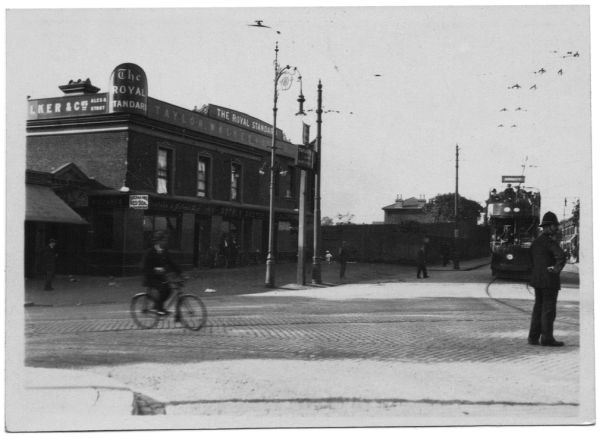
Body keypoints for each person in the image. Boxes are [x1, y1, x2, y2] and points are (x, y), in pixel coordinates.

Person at [528, 211, 567, 347]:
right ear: (549, 226)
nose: (557, 228)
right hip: (549, 281)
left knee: (538, 308)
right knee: (548, 310)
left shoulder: (536, 242)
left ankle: (533, 338)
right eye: (555, 226)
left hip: (537, 280)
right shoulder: (550, 242)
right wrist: (555, 269)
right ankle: (547, 338)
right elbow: (561, 256)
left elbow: (531, 261)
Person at [142, 230, 182, 315]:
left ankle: (158, 306)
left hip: (160, 277)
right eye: (163, 240)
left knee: (169, 289)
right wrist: (158, 270)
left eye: (165, 240)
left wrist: (180, 272)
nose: (165, 242)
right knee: (163, 288)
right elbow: (146, 267)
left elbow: (171, 262)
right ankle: (158, 308)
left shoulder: (164, 251)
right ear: (158, 241)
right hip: (150, 277)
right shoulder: (150, 252)